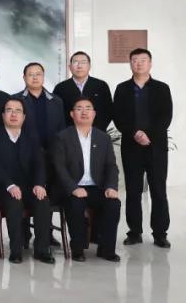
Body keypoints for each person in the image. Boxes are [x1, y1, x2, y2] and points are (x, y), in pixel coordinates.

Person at [113, 48, 172, 248]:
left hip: (156, 148)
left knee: (158, 190)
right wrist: (135, 133)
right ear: (130, 63)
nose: (139, 63)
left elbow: (165, 116)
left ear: (150, 63)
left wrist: (149, 136)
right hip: (131, 147)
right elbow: (118, 116)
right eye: (135, 60)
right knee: (133, 191)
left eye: (143, 60)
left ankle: (160, 233)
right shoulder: (122, 89)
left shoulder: (162, 88)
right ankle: (135, 232)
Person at [0, 98, 55, 264]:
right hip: (2, 188)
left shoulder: (31, 136)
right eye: (9, 110)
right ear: (3, 115)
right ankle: (16, 250)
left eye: (18, 111)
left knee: (43, 201)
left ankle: (42, 249)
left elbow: (39, 163)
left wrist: (39, 184)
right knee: (14, 202)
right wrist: (10, 185)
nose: (13, 114)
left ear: (24, 117)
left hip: (28, 187)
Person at [53, 98, 121, 262]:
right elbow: (59, 167)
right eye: (79, 108)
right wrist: (73, 188)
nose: (84, 112)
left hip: (96, 187)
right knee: (75, 204)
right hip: (71, 187)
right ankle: (77, 249)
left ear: (94, 114)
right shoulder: (62, 137)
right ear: (72, 114)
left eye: (88, 108)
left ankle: (106, 249)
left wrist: (111, 186)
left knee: (113, 204)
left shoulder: (103, 138)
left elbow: (111, 166)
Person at [54, 51, 113, 130]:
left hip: (96, 132)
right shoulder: (60, 88)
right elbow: (56, 113)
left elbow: (109, 111)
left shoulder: (101, 86)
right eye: (75, 62)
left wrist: (96, 131)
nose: (79, 66)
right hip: (69, 134)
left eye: (83, 62)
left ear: (89, 66)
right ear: (70, 67)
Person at [14, 63, 65, 152]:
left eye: (38, 74)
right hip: (25, 152)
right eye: (31, 74)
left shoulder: (56, 101)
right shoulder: (15, 100)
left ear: (43, 76)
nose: (35, 78)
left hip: (53, 152)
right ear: (24, 78)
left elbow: (62, 129)